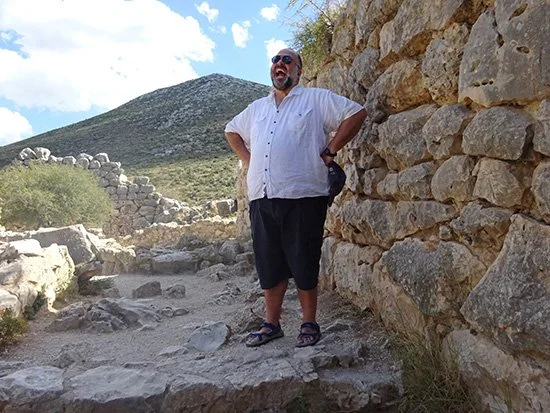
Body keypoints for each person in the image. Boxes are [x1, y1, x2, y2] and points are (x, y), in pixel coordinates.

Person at [224, 48, 367, 348]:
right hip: (262, 196)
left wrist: (330, 151)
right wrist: (251, 160)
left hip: (304, 196)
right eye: (275, 60)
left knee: (304, 261)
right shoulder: (257, 108)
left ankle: (309, 323)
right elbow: (231, 131)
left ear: (298, 71)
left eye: (287, 60)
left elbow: (356, 113)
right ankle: (271, 324)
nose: (280, 64)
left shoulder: (315, 99)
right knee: (269, 263)